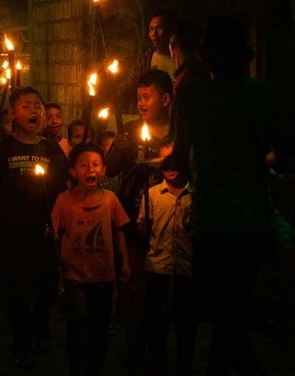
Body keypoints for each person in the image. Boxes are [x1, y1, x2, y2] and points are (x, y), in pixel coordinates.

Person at [167, 16, 275, 376]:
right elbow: (273, 148)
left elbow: (179, 156)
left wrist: (151, 163)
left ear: (207, 57)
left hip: (213, 219)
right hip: (251, 218)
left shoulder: (195, 96)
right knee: (235, 312)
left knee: (219, 316)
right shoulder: (261, 93)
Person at [0, 86, 69, 367]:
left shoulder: (53, 151)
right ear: (13, 113)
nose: (34, 110)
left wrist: (58, 223)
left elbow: (62, 190)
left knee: (46, 286)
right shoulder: (1, 151)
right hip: (14, 233)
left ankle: (42, 327)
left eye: (37, 106)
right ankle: (22, 340)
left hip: (44, 232)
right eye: (26, 106)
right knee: (19, 290)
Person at [106, 69, 174, 368]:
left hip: (169, 221)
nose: (141, 103)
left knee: (164, 290)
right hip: (133, 219)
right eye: (138, 97)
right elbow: (110, 169)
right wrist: (118, 151)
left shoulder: (178, 133)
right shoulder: (131, 131)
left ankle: (158, 347)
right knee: (133, 286)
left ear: (166, 99)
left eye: (147, 97)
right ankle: (135, 346)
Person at [52, 142, 131, 376]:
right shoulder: (63, 200)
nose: (91, 169)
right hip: (74, 273)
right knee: (77, 322)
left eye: (96, 164)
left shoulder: (110, 199)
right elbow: (56, 233)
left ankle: (96, 366)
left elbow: (119, 230)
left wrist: (124, 262)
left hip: (103, 274)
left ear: (104, 170)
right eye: (84, 165)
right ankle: (76, 366)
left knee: (99, 324)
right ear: (73, 171)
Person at [138, 147, 196, 376]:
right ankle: (155, 358)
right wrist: (142, 228)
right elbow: (143, 223)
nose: (170, 167)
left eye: (175, 162)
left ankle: (185, 363)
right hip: (158, 264)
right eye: (166, 162)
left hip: (186, 266)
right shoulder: (151, 194)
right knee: (155, 317)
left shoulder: (195, 194)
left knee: (185, 320)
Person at [124, 10, 177, 114]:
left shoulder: (180, 59)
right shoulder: (146, 60)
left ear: (170, 31)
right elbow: (131, 86)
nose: (154, 34)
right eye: (151, 29)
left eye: (159, 28)